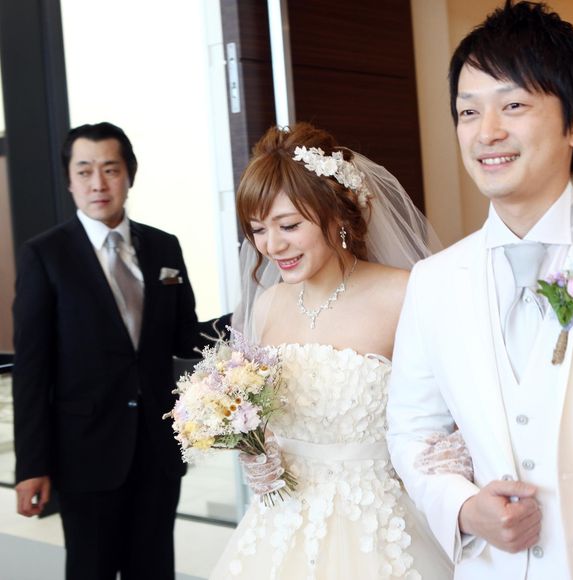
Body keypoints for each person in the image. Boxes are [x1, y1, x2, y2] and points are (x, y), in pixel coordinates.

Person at [210, 122, 462, 579]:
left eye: (289, 225)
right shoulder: (267, 305)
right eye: (258, 230)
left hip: (383, 528)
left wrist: (451, 458)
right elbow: (259, 416)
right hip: (281, 527)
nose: (272, 246)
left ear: (337, 214)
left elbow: (460, 410)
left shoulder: (403, 294)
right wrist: (258, 454)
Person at [387, 1, 573, 578]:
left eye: (513, 105)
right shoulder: (434, 282)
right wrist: (465, 508)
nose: (486, 132)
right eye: (468, 112)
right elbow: (413, 430)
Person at [12, 121, 230, 580]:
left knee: (154, 569)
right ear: (69, 180)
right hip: (84, 453)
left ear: (129, 174)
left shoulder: (163, 246)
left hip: (156, 448)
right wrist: (32, 466)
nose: (98, 183)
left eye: (110, 169)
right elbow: (32, 370)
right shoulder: (45, 255)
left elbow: (184, 338)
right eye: (85, 171)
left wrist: (250, 315)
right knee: (90, 570)